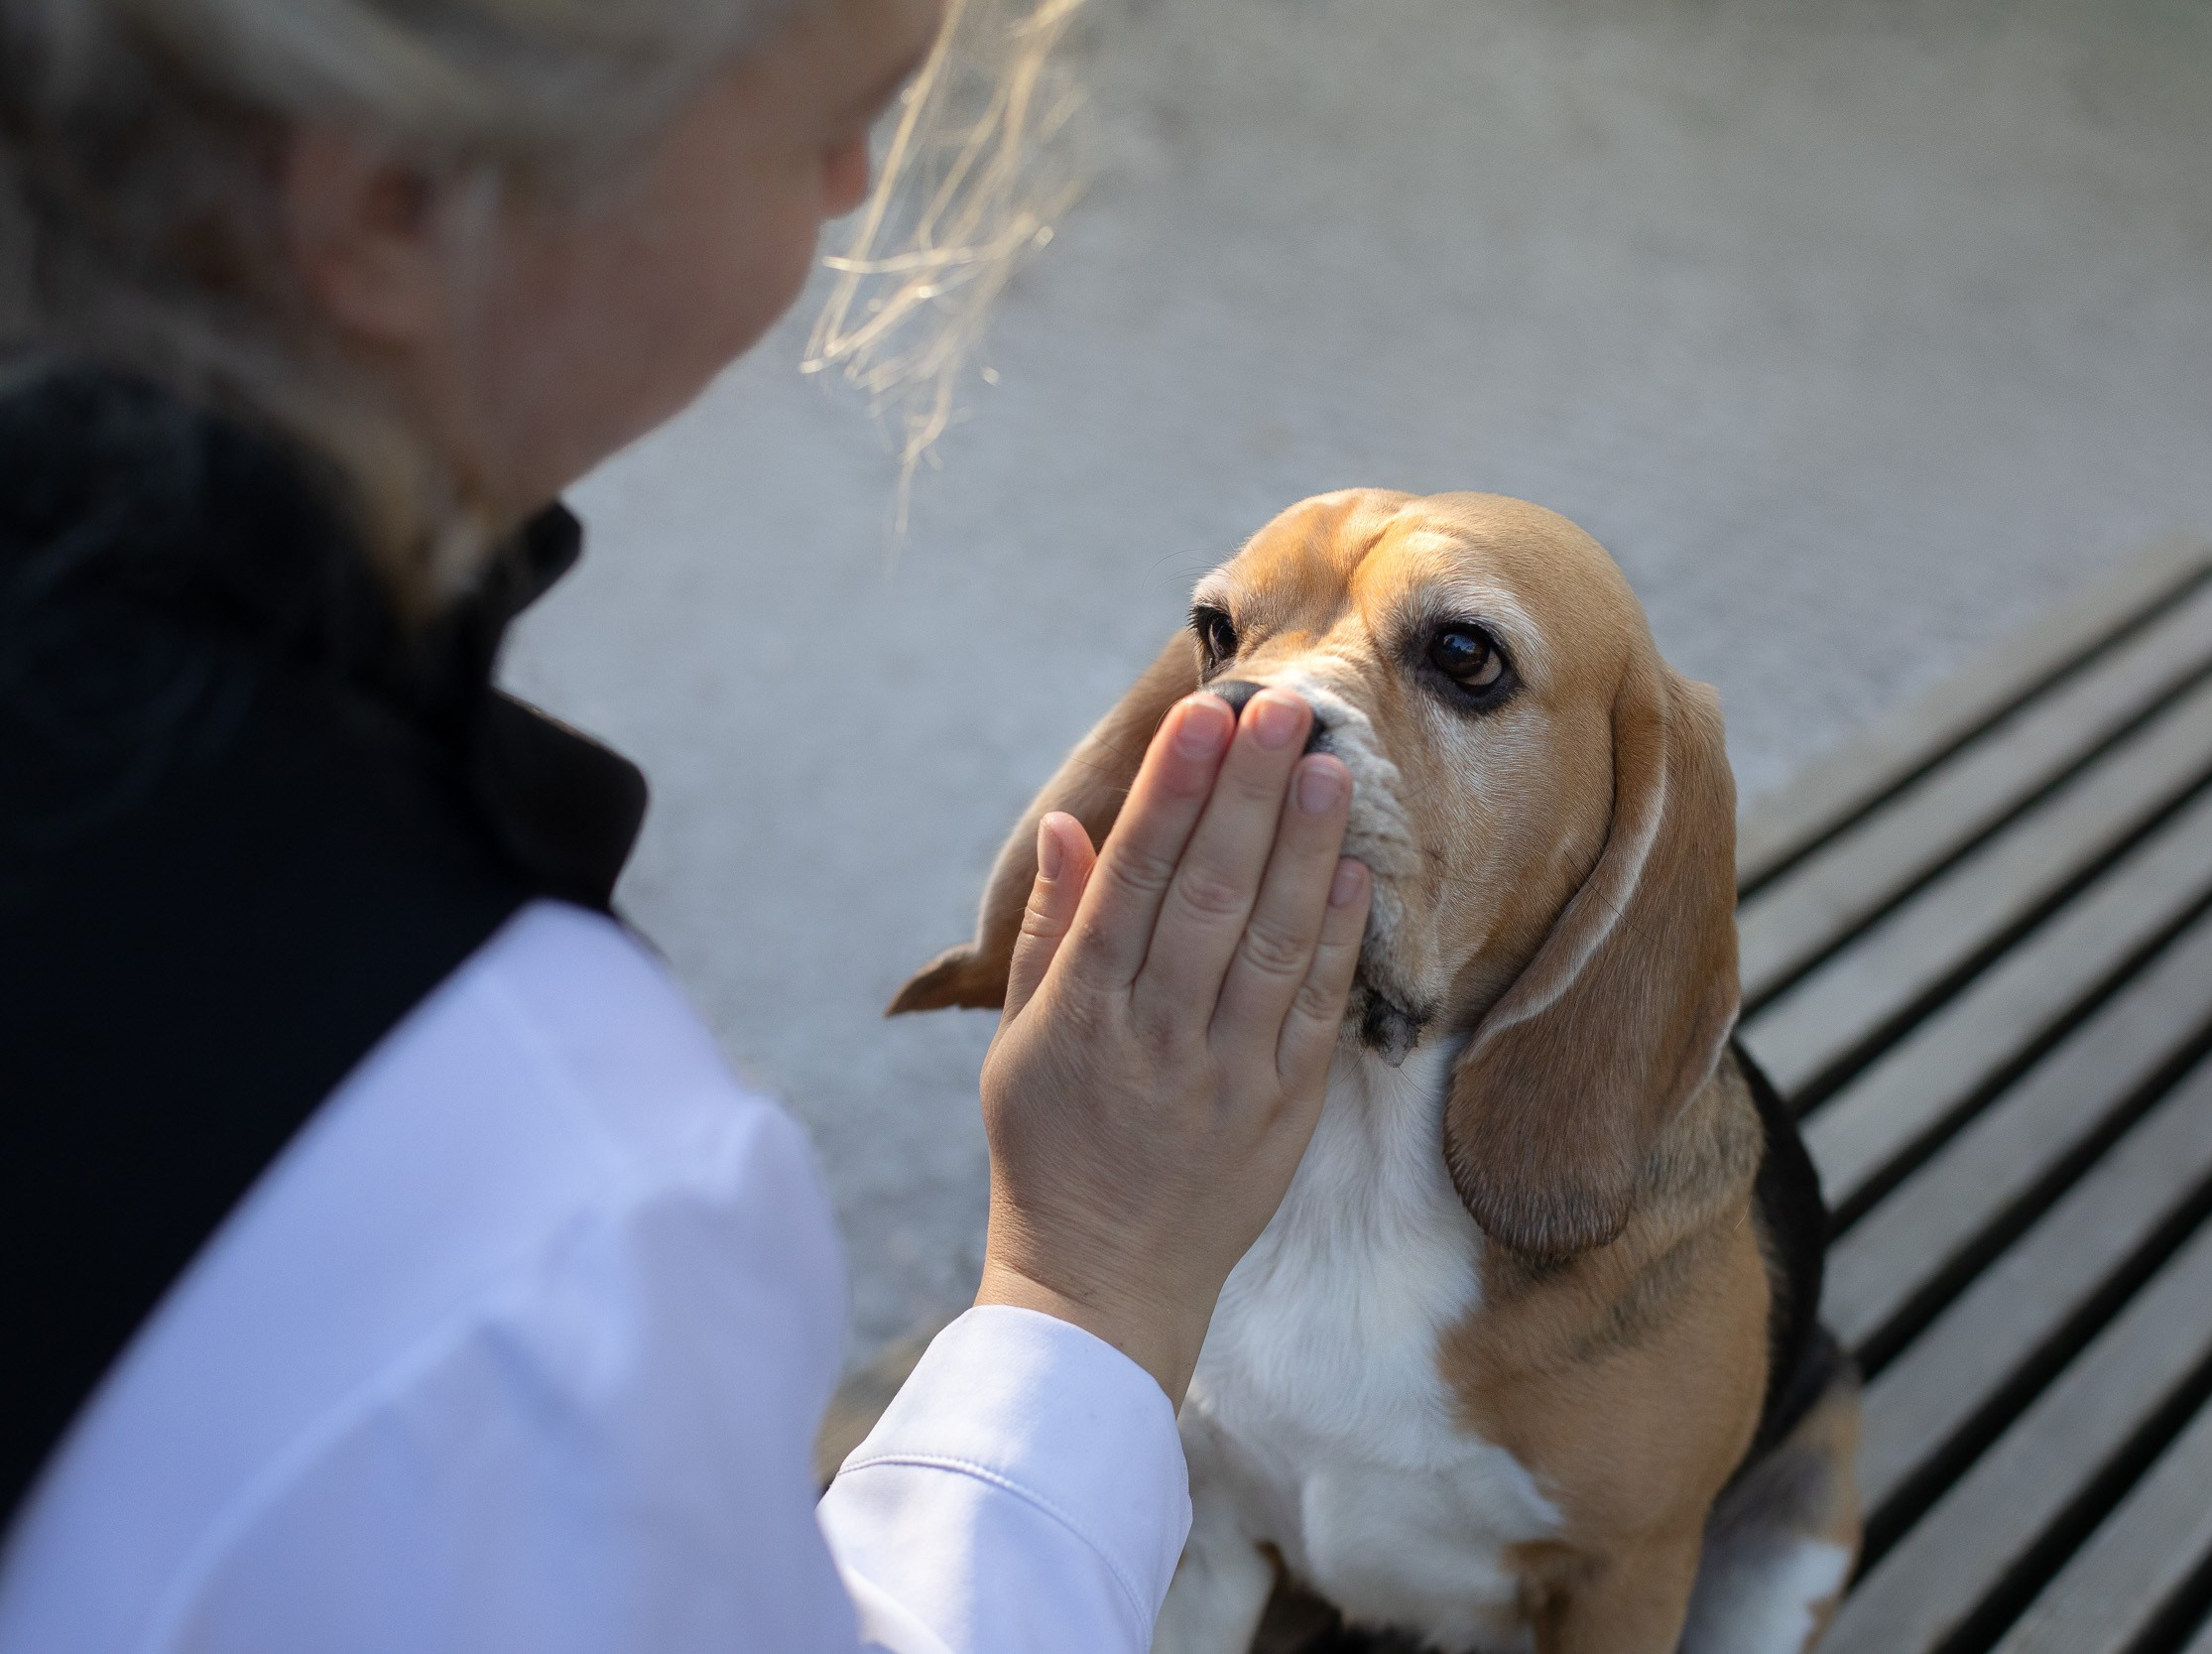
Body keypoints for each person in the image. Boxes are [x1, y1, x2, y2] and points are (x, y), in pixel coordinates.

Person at [0, 0, 1373, 1648]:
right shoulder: (537, 1218)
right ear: (393, 203)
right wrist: (1089, 1286)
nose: (862, 185)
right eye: (827, 127)